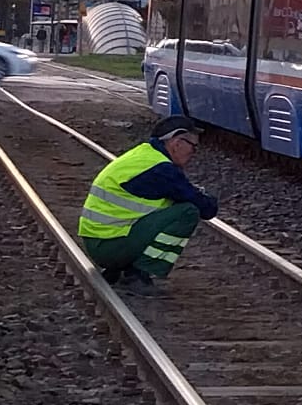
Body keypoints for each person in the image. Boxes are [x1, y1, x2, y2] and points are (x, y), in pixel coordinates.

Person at [76, 116, 218, 289]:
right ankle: (138, 274)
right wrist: (207, 197)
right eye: (193, 147)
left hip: (99, 241)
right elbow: (206, 209)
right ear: (177, 143)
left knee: (171, 205)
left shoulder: (144, 156)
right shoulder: (161, 169)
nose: (193, 153)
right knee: (187, 212)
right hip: (109, 247)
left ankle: (120, 267)